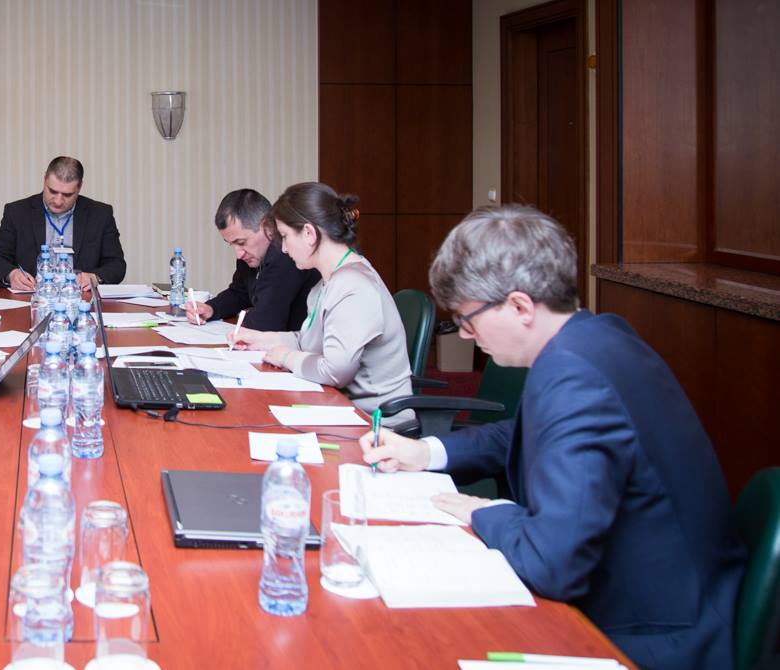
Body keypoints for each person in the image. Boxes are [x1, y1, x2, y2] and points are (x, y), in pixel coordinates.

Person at [361, 205, 746, 670]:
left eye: (467, 318)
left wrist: (488, 513)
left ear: (520, 306)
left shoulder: (574, 378)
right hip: (648, 602)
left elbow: (551, 564)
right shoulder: (596, 336)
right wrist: (425, 452)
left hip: (650, 637)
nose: (464, 335)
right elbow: (524, 433)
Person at [229, 182, 413, 421]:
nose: (283, 249)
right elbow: (306, 340)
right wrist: (260, 340)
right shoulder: (327, 283)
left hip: (374, 423)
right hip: (338, 407)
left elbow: (335, 371)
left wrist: (286, 357)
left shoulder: (354, 287)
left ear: (309, 233)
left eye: (285, 236)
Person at [184, 188, 319, 331]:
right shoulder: (250, 255)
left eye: (241, 242)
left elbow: (265, 322)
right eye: (232, 244)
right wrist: (211, 308)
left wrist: (249, 316)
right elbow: (239, 293)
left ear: (267, 226)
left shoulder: (287, 255)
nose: (239, 254)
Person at [0, 156, 126, 290]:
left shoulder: (100, 214)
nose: (58, 201)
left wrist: (95, 277)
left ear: (80, 187)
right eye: (52, 191)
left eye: (67, 195)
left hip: (80, 298)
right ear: (44, 179)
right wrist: (12, 275)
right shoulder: (17, 212)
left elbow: (117, 265)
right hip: (32, 298)